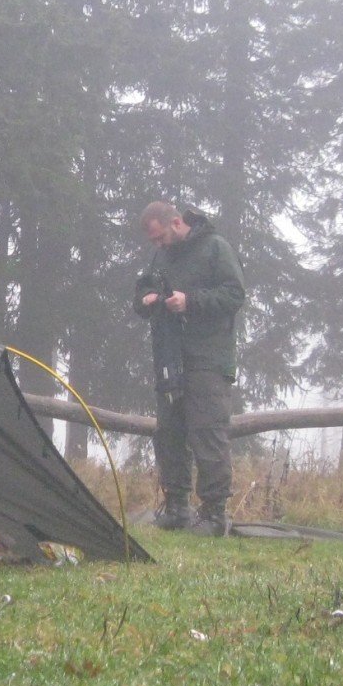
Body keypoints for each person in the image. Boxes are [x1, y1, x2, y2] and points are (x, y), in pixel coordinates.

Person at [133, 200, 245, 535]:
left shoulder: (215, 247)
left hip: (208, 359)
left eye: (159, 237)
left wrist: (190, 302)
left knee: (208, 433)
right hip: (170, 358)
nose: (157, 245)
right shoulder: (161, 256)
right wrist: (147, 299)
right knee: (169, 433)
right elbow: (144, 287)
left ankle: (213, 513)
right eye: (153, 241)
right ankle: (177, 506)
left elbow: (234, 294)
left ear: (177, 222)